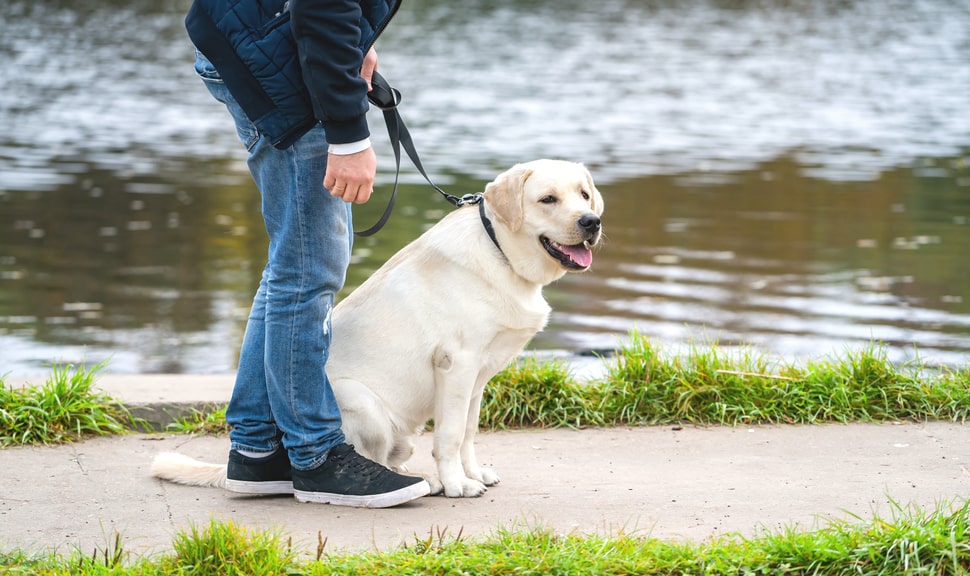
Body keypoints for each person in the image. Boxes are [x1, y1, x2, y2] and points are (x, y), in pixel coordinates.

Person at [185, 0, 430, 508]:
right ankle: (315, 456)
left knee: (292, 268)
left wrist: (354, 42)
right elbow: (321, 8)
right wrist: (347, 134)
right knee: (306, 273)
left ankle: (258, 449)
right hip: (279, 62)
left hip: (261, 42)